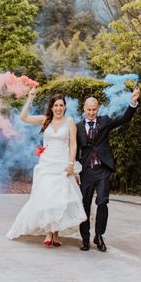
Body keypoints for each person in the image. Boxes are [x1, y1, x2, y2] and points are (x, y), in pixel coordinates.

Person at [6, 88, 86, 246]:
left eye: (61, 105)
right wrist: (30, 98)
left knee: (59, 199)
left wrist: (71, 164)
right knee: (47, 198)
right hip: (47, 165)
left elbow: (73, 144)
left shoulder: (70, 122)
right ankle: (49, 233)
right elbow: (23, 117)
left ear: (65, 107)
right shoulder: (45, 120)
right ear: (51, 107)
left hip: (63, 165)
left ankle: (55, 234)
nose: (58, 108)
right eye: (56, 105)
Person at [76, 87, 140, 252]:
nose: (91, 112)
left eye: (94, 109)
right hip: (86, 171)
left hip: (103, 169)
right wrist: (76, 171)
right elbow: (75, 150)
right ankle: (85, 238)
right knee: (84, 204)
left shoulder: (104, 121)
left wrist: (133, 102)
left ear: (98, 109)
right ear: (84, 109)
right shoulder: (77, 127)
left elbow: (124, 119)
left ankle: (99, 236)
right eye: (89, 110)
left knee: (102, 203)